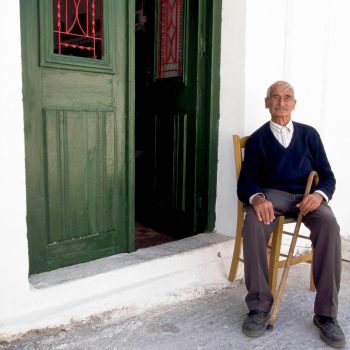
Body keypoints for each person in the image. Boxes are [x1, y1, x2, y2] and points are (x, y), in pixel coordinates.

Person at [237, 81, 345, 348]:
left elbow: (328, 176)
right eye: (275, 97)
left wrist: (319, 195)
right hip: (274, 196)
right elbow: (246, 182)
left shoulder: (310, 135)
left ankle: (326, 314)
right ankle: (259, 306)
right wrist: (258, 198)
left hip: (308, 196)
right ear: (267, 103)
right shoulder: (259, 139)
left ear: (294, 104)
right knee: (253, 222)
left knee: (330, 224)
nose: (281, 102)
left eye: (287, 97)